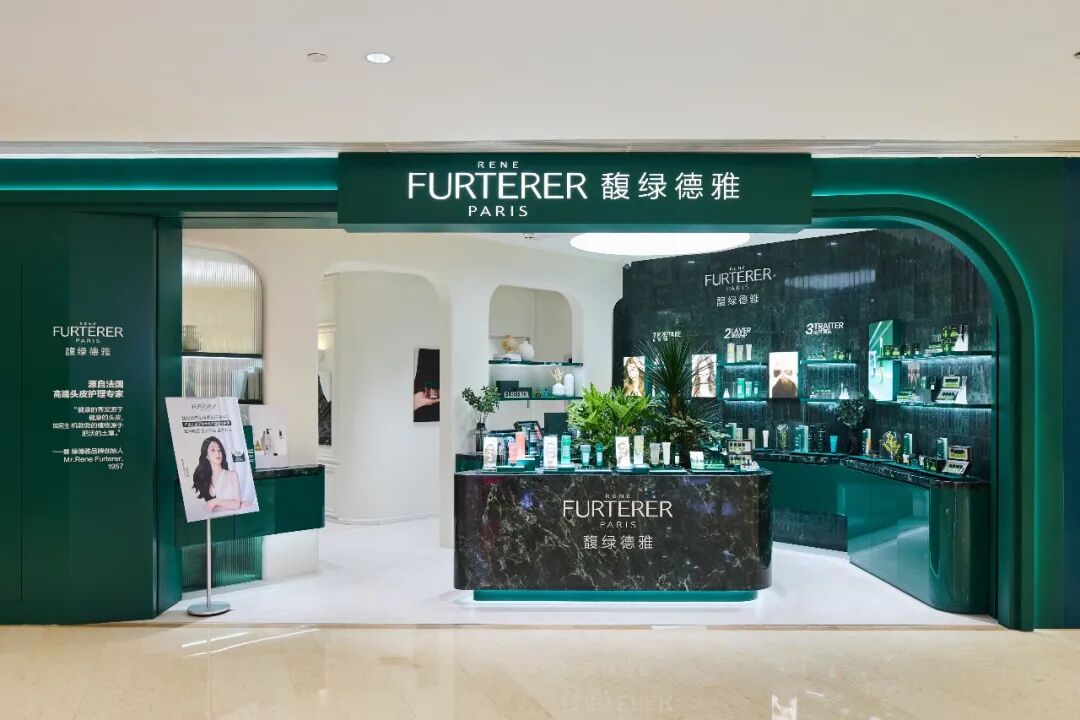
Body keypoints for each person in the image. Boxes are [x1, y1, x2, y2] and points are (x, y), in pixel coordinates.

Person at [191, 436, 244, 512]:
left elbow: (236, 504)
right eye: (213, 450)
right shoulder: (205, 479)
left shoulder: (232, 475)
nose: (218, 453)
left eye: (219, 450)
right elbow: (206, 508)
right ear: (206, 456)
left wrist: (216, 502)